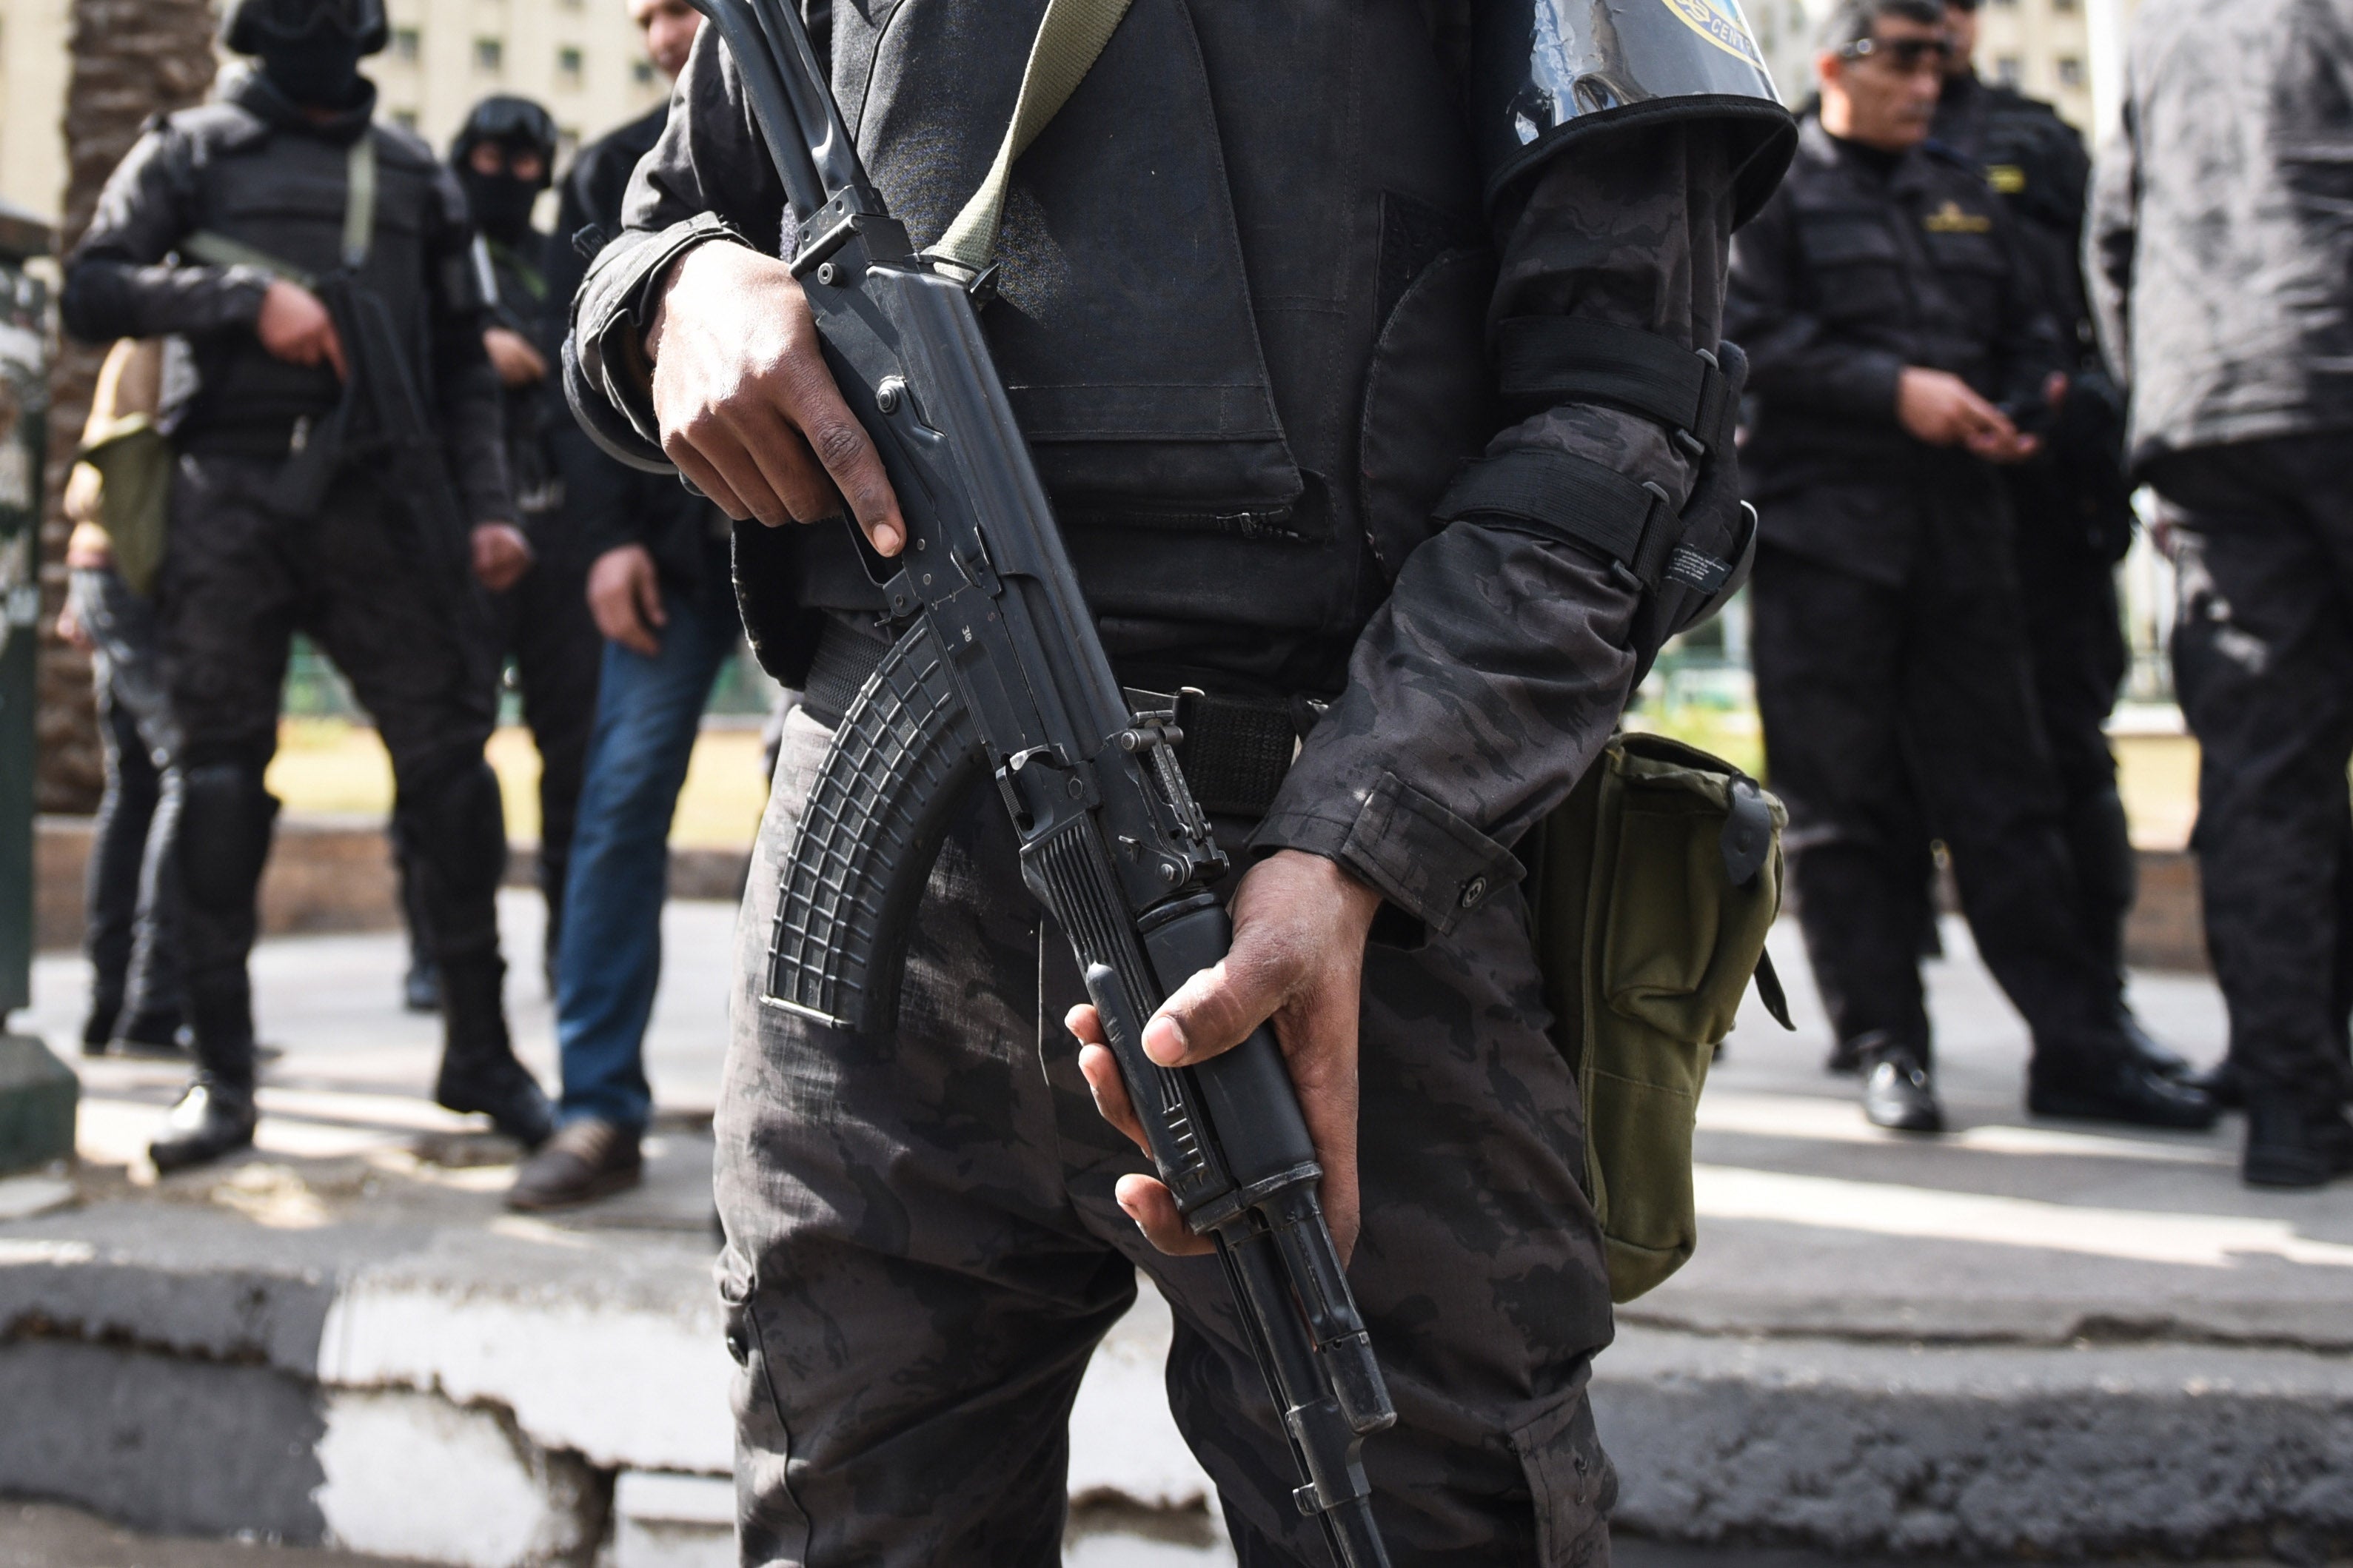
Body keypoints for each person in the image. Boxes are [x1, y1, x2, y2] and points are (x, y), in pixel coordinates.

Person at [567, 0, 1795, 1555]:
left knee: (1417, 1519)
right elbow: (664, 228)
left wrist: (1351, 845)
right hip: (880, 917)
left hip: (1346, 926)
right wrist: (675, 297)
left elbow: (1623, 435)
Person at [60, 0, 553, 1172]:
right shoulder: (186, 150)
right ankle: (219, 1077)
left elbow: (462, 368)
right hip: (226, 497)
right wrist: (241, 303)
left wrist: (486, 511)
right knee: (218, 778)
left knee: (449, 772)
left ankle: (478, 1052)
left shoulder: (413, 174)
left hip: (383, 502)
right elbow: (93, 289)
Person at [1728, 0, 2215, 1135]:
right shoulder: (1773, 181)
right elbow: (1747, 335)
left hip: (1966, 536)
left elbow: (2040, 324)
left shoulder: (1960, 186)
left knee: (2009, 800)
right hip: (1826, 541)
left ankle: (2079, 1047)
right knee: (1847, 807)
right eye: (1903, 59)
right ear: (1841, 62)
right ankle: (1886, 1042)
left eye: (1939, 60)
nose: (1927, 81)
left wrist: (2025, 398)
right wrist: (1892, 390)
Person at [2088, 0, 2353, 1188]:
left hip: (2205, 409)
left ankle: (2292, 1103)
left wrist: (2155, 414)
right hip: (2330, 366)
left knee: (2260, 770)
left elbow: (2112, 235)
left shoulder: (2159, 29)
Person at [1930, 0, 2187, 1084]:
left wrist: (2092, 411)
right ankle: (2041, 1030)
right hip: (1920, 514)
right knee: (1977, 788)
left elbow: (2108, 278)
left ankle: (2098, 1014)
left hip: (2050, 502)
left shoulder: (2036, 139)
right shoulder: (1832, 151)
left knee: (2077, 768)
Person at [503, 0, 732, 1212]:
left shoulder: (841, 139)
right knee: (618, 803)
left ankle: (846, 1131)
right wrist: (597, 545)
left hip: (847, 555)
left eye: (683, 7)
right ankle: (595, 1106)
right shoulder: (608, 168)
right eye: (646, 14)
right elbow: (571, 383)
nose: (663, 34)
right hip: (668, 555)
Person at [393, 96, 605, 1014]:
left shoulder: (560, 259)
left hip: (560, 536)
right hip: (457, 541)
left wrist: (528, 354)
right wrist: (472, 350)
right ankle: (438, 952)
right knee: (444, 759)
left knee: (575, 763)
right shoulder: (431, 259)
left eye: (529, 162)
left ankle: (569, 951)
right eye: (491, 155)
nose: (509, 177)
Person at [58, 521, 185, 1058]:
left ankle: (112, 1006)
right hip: (149, 566)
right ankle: (152, 1008)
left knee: (135, 787)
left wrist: (81, 579)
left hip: (110, 564)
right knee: (191, 773)